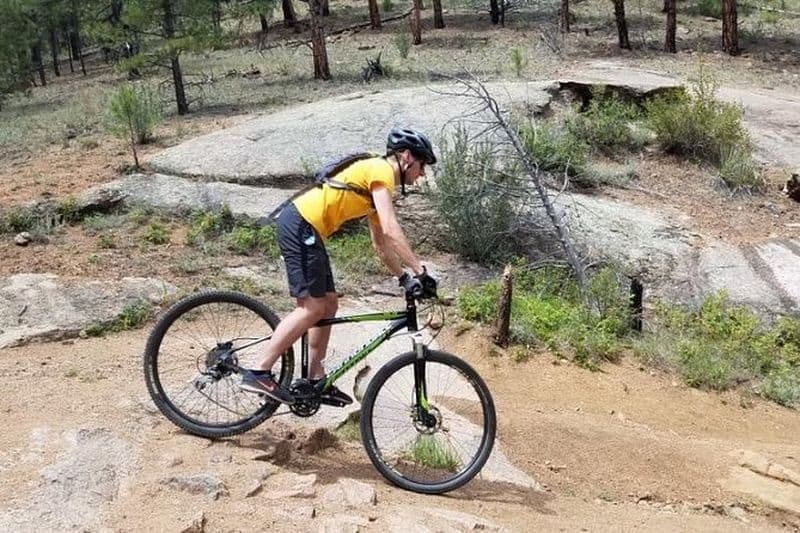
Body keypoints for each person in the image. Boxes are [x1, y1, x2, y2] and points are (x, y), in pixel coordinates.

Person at [240, 127, 439, 405]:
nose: (421, 176)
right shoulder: (381, 171)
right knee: (312, 308)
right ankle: (258, 370)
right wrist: (420, 271)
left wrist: (404, 277)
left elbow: (381, 245)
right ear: (406, 157)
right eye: (421, 167)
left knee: (329, 303)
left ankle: (314, 378)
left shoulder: (374, 187)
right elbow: (393, 229)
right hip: (300, 224)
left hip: (308, 229)